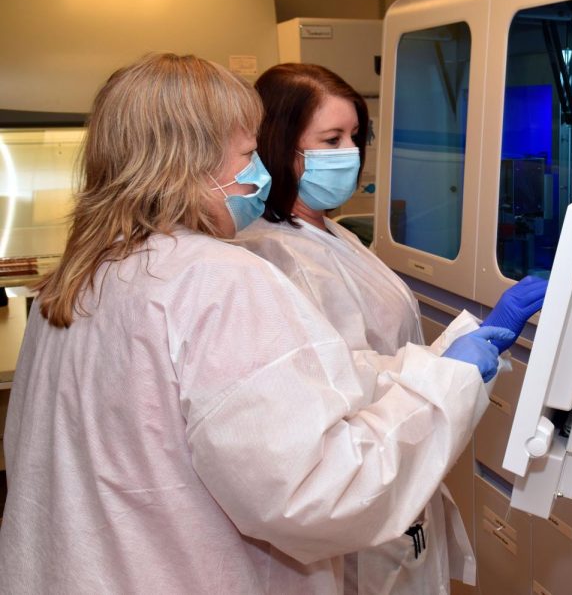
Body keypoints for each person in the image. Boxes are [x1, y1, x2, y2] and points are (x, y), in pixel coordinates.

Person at [0, 53, 523, 594]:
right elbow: (319, 494)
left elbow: (290, 389)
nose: (260, 171)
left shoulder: (81, 277)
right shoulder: (215, 279)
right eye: (248, 153)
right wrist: (446, 388)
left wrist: (436, 365)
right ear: (190, 165)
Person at [234, 63, 547, 594]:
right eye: (331, 139)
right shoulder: (272, 253)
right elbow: (350, 380)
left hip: (396, 475)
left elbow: (387, 354)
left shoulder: (328, 233)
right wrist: (456, 362)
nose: (350, 152)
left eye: (355, 136)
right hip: (359, 495)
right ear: (277, 144)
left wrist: (475, 337)